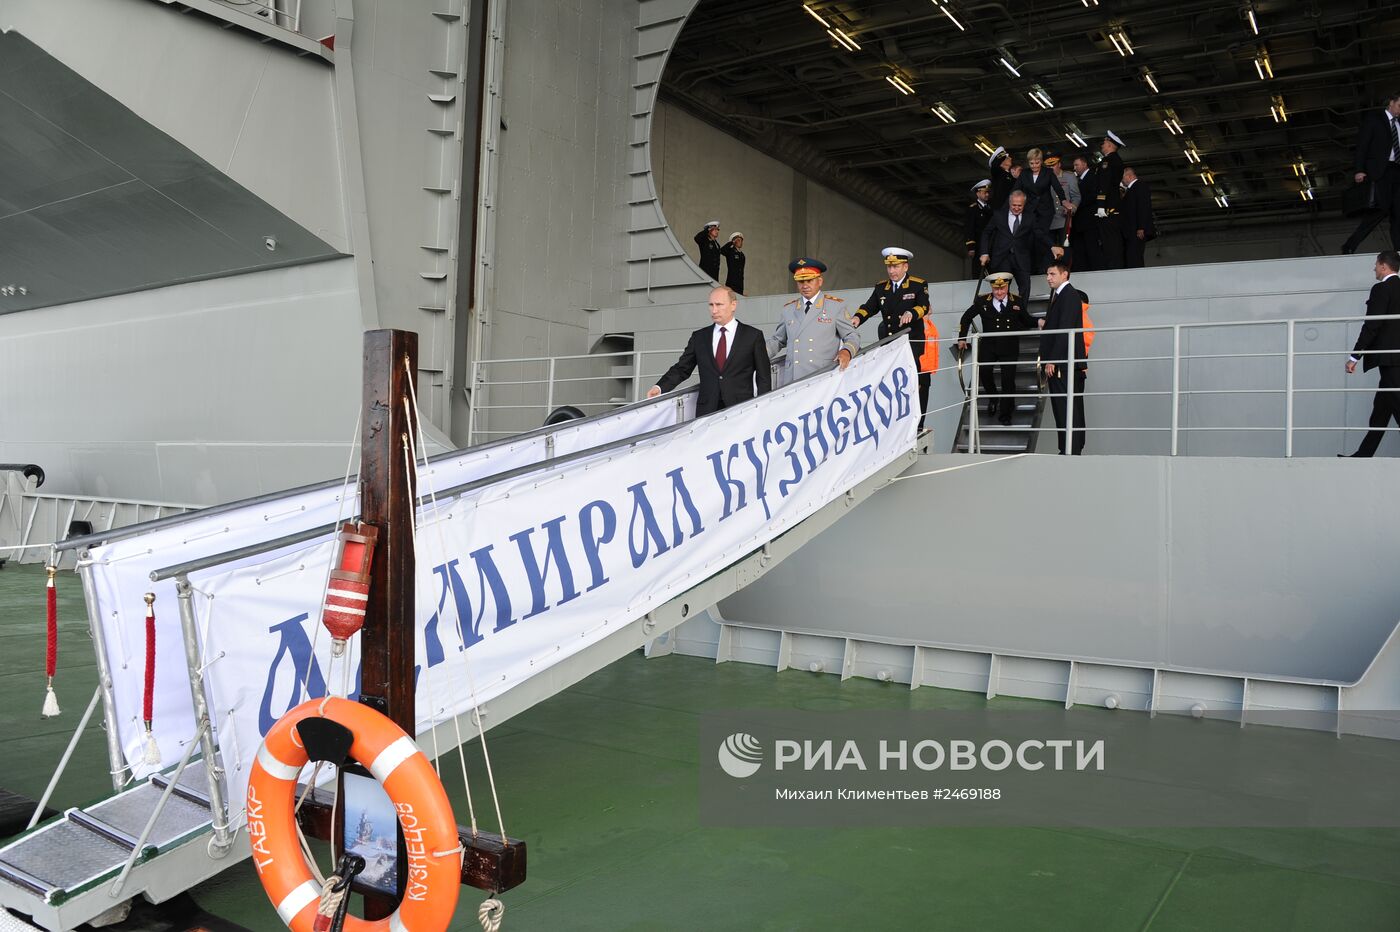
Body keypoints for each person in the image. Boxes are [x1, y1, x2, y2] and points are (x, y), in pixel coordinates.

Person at [647, 286, 770, 415]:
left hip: (741, 409)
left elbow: (764, 377)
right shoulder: (699, 337)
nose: (714, 310)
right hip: (707, 410)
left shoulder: (753, 336)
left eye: (719, 304)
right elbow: (682, 368)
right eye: (711, 305)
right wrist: (660, 387)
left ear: (733, 305)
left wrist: (763, 408)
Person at [854, 247, 931, 418]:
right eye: (889, 267)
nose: (892, 271)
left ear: (905, 267)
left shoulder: (918, 285)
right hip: (889, 342)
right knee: (889, 382)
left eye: (896, 267)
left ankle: (916, 420)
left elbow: (924, 306)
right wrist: (857, 318)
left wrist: (912, 313)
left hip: (911, 342)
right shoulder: (881, 287)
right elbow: (870, 307)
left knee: (912, 381)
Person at [1341, 250, 1400, 456]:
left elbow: (1372, 325)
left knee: (1395, 402)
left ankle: (1363, 455)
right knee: (1381, 408)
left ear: (1384, 266)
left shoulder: (1382, 289)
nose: (1374, 268)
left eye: (1376, 264)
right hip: (1394, 358)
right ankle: (1363, 454)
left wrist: (1355, 355)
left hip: (1391, 358)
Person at [958, 272, 1036, 425]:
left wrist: (1040, 322)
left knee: (1008, 380)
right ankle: (993, 398)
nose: (999, 292)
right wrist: (962, 338)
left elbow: (1026, 320)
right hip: (989, 345)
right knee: (984, 372)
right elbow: (966, 317)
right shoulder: (982, 301)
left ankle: (1006, 414)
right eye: (996, 289)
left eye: (1003, 288)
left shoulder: (1017, 301)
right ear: (992, 288)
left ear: (1008, 286)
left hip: (1009, 346)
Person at [768, 258, 858, 382]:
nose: (805, 286)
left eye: (809, 280)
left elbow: (852, 335)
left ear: (820, 281)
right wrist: (754, 356)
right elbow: (777, 340)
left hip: (822, 376)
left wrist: (846, 351)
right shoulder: (788, 309)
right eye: (800, 281)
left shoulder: (835, 306)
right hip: (793, 378)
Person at [1039, 260, 1088, 455]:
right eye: (1047, 274)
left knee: (1065, 408)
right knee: (1064, 408)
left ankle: (1070, 449)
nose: (1048, 278)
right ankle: (1069, 447)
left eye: (1052, 274)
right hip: (1064, 363)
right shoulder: (1063, 295)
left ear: (1064, 274)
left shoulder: (1068, 295)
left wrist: (1053, 359)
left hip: (1064, 364)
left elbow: (1065, 329)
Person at [1342, 94, 1400, 255]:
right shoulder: (1374, 119)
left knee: (1398, 212)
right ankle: (1350, 244)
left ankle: (1398, 251)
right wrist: (1359, 170)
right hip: (1381, 170)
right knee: (1380, 210)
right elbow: (1362, 145)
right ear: (1391, 103)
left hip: (1397, 170)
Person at [980, 190, 1060, 302]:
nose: (1016, 208)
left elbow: (1039, 233)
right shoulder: (999, 215)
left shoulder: (1030, 217)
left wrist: (1052, 246)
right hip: (1003, 257)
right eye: (1014, 205)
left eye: (1020, 206)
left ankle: (1021, 315)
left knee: (1025, 287)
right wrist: (984, 252)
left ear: (1024, 204)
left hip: (1022, 258)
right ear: (1009, 202)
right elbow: (986, 233)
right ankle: (1005, 314)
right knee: (1002, 288)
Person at [1012, 147, 1066, 272]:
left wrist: (1063, 201)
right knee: (1030, 237)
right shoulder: (1024, 174)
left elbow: (1057, 188)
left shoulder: (1048, 173)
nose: (1034, 166)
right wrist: (1010, 206)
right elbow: (1015, 190)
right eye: (1031, 163)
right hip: (1029, 210)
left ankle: (1044, 267)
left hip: (1045, 210)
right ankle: (1033, 268)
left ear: (1041, 161)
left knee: (1041, 235)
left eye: (1037, 163)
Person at [1094, 132, 1127, 270]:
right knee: (1112, 239)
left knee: (1110, 240)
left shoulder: (1108, 162)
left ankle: (1113, 267)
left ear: (1110, 145)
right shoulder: (1117, 160)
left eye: (1104, 143)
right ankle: (1115, 265)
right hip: (1113, 205)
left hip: (1108, 207)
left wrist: (1101, 205)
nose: (1102, 145)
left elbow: (1104, 184)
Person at [1047, 154, 1080, 268]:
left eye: (1054, 165)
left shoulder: (1069, 176)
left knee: (1065, 248)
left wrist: (1072, 208)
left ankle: (1065, 271)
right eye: (1048, 166)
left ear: (1059, 164)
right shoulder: (1044, 178)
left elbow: (1076, 196)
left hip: (1063, 218)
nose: (1051, 168)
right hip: (1049, 220)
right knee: (1050, 249)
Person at [1120, 167, 1156, 268]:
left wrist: (1141, 227)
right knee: (1132, 256)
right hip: (1132, 230)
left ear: (1129, 176)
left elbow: (1143, 207)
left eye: (1122, 178)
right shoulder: (1132, 189)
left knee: (1135, 256)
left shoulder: (1139, 186)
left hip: (1136, 230)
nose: (1122, 181)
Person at [1070, 153, 1099, 271]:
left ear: (1084, 164)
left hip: (1089, 220)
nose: (1074, 168)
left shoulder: (1093, 177)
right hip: (1080, 221)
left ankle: (1094, 270)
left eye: (1076, 165)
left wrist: (1076, 204)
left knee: (1091, 247)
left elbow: (1093, 196)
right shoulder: (1079, 180)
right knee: (1081, 248)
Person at [964, 179, 993, 277]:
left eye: (988, 192)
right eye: (985, 192)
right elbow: (969, 228)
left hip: (991, 244)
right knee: (978, 270)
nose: (987, 195)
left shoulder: (991, 208)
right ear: (978, 193)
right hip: (979, 245)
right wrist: (971, 247)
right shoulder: (973, 208)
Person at [988, 146, 1017, 211]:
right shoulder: (999, 174)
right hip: (1002, 209)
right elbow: (994, 167)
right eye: (1007, 157)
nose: (1010, 158)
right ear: (1001, 162)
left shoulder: (1009, 175)